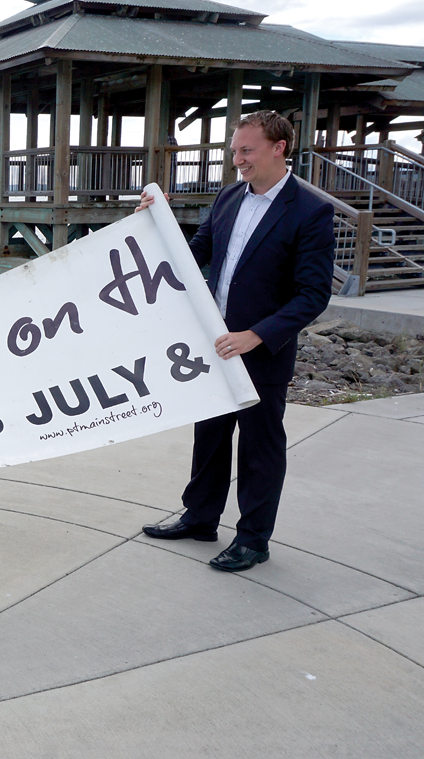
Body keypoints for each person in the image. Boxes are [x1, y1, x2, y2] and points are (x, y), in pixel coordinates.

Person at [138, 110, 335, 572]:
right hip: (214, 343)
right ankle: (201, 518)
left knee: (259, 446)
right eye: (234, 151)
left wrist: (256, 336)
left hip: (263, 351)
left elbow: (313, 295)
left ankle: (253, 539)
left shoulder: (310, 210)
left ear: (278, 147)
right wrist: (158, 222)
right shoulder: (228, 198)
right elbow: (194, 255)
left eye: (246, 151)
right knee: (209, 435)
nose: (237, 160)